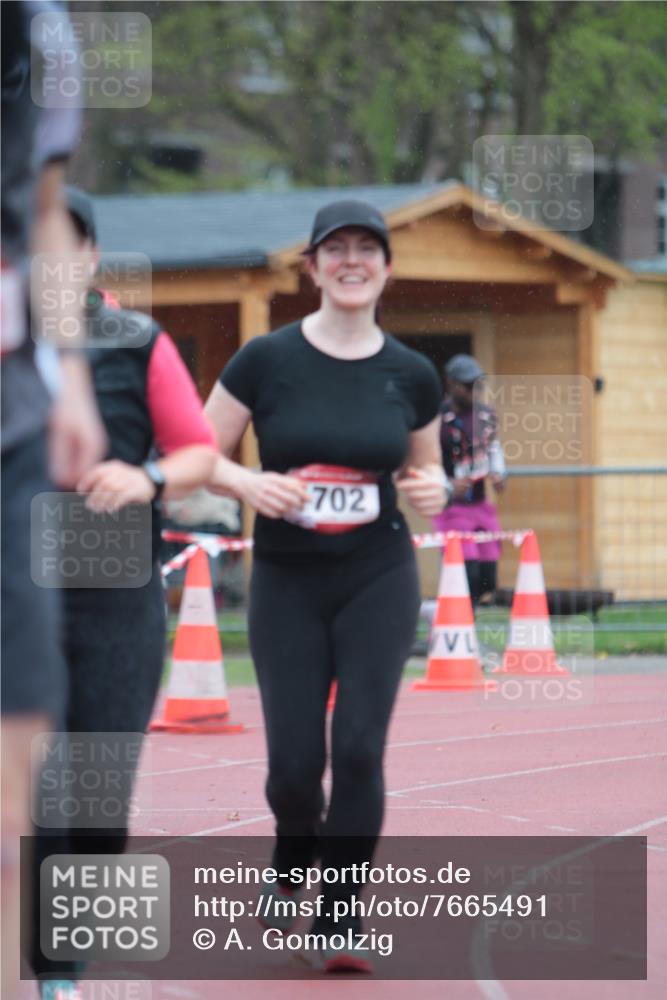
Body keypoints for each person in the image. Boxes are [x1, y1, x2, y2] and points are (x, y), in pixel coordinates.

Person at [204, 199, 449, 972]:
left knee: (359, 749)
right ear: (311, 267)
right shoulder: (264, 360)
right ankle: (289, 857)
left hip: (376, 573)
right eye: (334, 249)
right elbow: (196, 454)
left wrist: (433, 491)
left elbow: (426, 465)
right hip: (286, 578)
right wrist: (249, 484)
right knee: (293, 768)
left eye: (366, 249)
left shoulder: (410, 373)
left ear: (385, 267)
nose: (351, 261)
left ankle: (338, 922)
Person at [30, 188, 218, 999]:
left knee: (99, 798)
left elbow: (199, 455)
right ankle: (55, 973)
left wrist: (143, 477)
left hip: (116, 600)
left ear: (91, 256)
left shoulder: (135, 340)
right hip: (19, 599)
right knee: (44, 790)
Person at [1, 5, 106, 996]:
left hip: (10, 419)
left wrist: (69, 370)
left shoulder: (39, 30)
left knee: (21, 726)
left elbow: (45, 209)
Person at [432, 354, 506, 606]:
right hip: (452, 506)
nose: (473, 391)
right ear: (451, 383)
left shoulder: (485, 415)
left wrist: (498, 472)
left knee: (488, 577)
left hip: (481, 504)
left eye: (477, 384)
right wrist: (447, 484)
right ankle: (458, 625)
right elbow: (423, 460)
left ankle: (461, 620)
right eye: (466, 385)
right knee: (466, 571)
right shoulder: (435, 418)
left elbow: (493, 446)